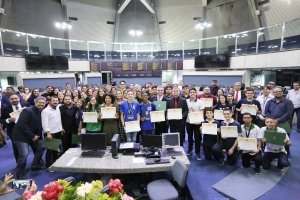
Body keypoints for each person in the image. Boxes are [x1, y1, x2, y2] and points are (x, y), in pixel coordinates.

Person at [12, 96, 46, 179]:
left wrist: (37, 136)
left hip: (32, 136)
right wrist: (32, 136)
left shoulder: (41, 111)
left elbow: (38, 125)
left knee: (42, 146)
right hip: (21, 136)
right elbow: (22, 125)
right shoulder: (27, 110)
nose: (41, 104)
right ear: (35, 102)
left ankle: (35, 165)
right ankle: (19, 174)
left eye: (43, 103)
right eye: (39, 102)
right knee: (24, 154)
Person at [0, 94, 31, 163]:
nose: (14, 100)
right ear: (9, 100)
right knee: (16, 148)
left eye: (16, 98)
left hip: (28, 130)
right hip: (14, 132)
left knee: (34, 146)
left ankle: (38, 161)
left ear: (19, 98)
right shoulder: (5, 109)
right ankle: (19, 162)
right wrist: (8, 120)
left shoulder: (26, 105)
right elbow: (1, 120)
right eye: (12, 99)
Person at [265, 87, 294, 157]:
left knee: (285, 140)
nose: (278, 93)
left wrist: (278, 120)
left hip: (284, 123)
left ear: (282, 92)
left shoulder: (288, 101)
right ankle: (272, 154)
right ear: (273, 93)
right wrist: (272, 120)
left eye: (279, 91)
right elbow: (266, 111)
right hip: (271, 124)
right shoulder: (269, 101)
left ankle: (287, 155)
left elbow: (289, 112)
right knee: (272, 139)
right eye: (276, 92)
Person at [41, 96, 63, 171]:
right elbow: (44, 124)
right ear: (49, 101)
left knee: (55, 149)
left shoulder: (57, 108)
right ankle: (48, 166)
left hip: (57, 131)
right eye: (53, 101)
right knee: (49, 151)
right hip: (50, 133)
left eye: (56, 101)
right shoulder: (45, 111)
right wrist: (48, 133)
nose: (55, 102)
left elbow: (58, 120)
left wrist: (61, 128)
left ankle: (55, 162)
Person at [186, 88, 204, 160]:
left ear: (196, 93)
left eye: (194, 92)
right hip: (189, 122)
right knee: (189, 137)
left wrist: (200, 121)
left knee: (197, 138)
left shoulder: (200, 102)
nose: (192, 93)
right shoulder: (186, 101)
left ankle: (197, 152)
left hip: (197, 123)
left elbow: (202, 112)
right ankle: (190, 149)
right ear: (189, 93)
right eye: (191, 92)